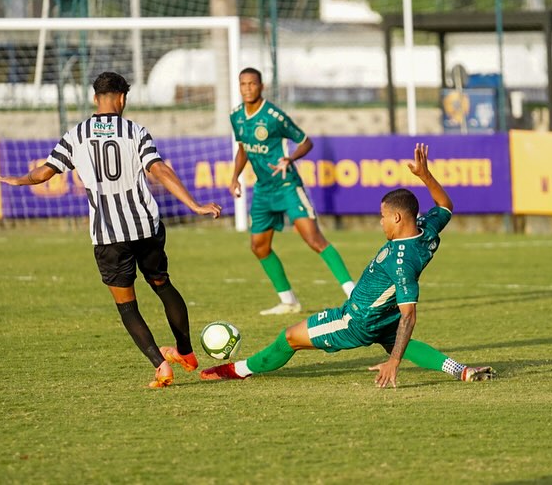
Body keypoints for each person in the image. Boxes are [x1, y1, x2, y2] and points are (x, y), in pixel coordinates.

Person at [201, 143, 495, 388]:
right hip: (382, 314)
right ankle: (461, 370)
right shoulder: (425, 228)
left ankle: (237, 369)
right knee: (398, 341)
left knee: (289, 337)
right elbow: (445, 207)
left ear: (396, 218)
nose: (379, 222)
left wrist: (393, 363)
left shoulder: (401, 262)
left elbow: (409, 316)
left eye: (383, 216)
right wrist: (426, 176)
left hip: (356, 320)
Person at [0, 72, 222, 389]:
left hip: (108, 234)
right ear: (122, 98)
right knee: (162, 284)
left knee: (127, 306)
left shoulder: (76, 135)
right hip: (145, 226)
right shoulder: (135, 131)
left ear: (95, 98)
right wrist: (194, 204)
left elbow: (45, 172)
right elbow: (158, 169)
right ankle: (185, 352)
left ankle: (161, 366)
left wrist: (18, 180)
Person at [230, 67, 355, 315]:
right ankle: (289, 301)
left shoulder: (275, 116)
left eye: (252, 84)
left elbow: (306, 141)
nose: (247, 88)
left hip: (287, 186)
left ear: (261, 86)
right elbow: (243, 148)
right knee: (259, 247)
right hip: (264, 190)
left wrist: (290, 159)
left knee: (314, 239)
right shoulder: (236, 116)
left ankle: (355, 294)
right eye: (243, 84)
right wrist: (234, 177)